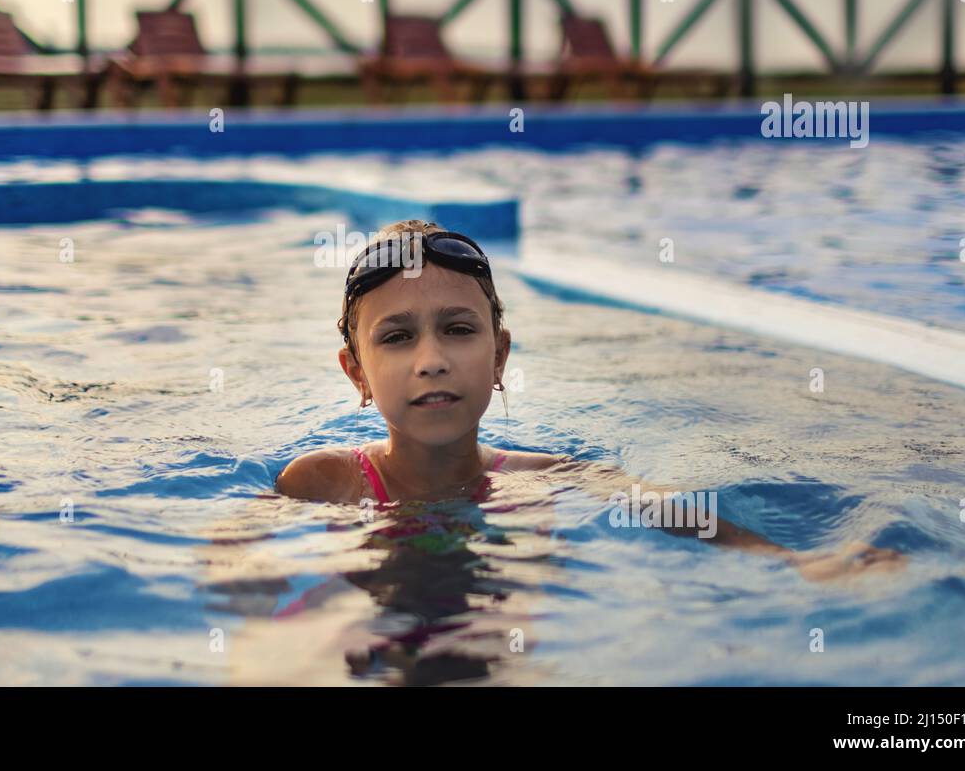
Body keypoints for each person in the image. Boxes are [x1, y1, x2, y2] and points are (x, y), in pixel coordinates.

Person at [275, 218, 903, 583]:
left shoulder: (543, 478)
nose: (431, 358)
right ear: (357, 373)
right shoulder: (322, 482)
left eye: (459, 329)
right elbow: (240, 572)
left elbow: (659, 508)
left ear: (499, 358)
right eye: (397, 337)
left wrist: (793, 563)